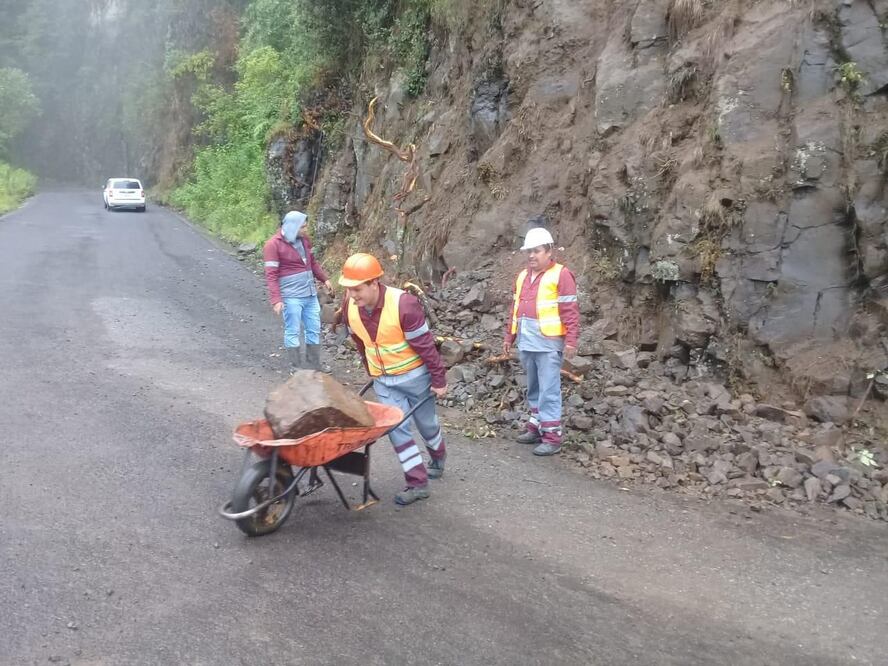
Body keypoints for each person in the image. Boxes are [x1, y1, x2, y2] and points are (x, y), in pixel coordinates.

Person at [338, 253, 448, 505]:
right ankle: (417, 482)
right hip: (384, 381)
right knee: (396, 429)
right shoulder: (349, 308)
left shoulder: (404, 305)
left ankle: (438, 456)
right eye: (349, 289)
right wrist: (371, 369)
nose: (353, 295)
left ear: (374, 283)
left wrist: (438, 380)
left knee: (427, 424)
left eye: (357, 289)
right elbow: (360, 342)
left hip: (415, 378)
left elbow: (426, 346)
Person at [503, 226, 580, 456]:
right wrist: (510, 336)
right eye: (529, 251)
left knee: (549, 388)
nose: (531, 256)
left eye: (536, 251)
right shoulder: (523, 276)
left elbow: (570, 310)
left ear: (548, 251)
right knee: (534, 386)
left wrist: (571, 341)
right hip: (527, 340)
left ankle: (552, 436)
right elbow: (515, 309)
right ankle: (536, 426)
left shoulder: (561, 274)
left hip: (548, 343)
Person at [263, 210, 334, 373]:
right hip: (291, 296)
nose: (305, 229)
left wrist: (325, 279)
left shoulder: (304, 241)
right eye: (302, 227)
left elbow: (313, 263)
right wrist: (277, 299)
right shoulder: (273, 245)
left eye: (306, 226)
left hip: (309, 294)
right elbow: (271, 275)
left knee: (314, 328)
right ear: (291, 227)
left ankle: (314, 364)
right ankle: (295, 367)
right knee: (293, 330)